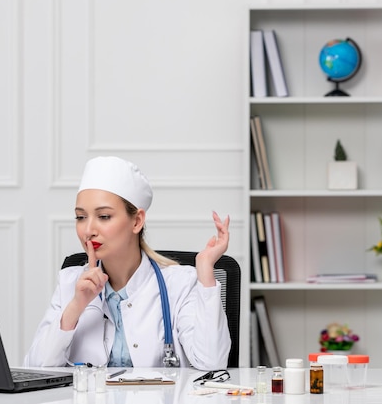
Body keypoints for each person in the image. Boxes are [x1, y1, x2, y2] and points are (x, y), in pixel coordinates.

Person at [24, 156, 231, 370]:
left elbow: (212, 363)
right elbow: (35, 368)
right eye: (80, 217)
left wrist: (205, 271)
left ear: (137, 221)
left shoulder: (180, 284)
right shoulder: (69, 283)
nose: (88, 230)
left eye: (104, 216)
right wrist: (76, 306)